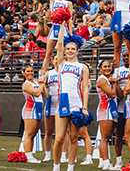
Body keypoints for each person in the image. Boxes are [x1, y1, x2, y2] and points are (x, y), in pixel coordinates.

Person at [52, 26, 91, 171]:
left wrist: (85, 107)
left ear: (77, 51)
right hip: (62, 102)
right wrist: (62, 24)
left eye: (73, 49)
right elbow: (59, 44)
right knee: (59, 139)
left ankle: (70, 167)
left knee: (74, 138)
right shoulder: (61, 63)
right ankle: (56, 167)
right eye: (68, 49)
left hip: (77, 103)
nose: (69, 51)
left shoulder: (83, 67)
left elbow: (85, 88)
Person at [41, 0, 74, 74]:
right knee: (48, 53)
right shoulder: (52, 1)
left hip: (64, 29)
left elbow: (70, 20)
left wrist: (71, 34)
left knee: (64, 53)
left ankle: (65, 71)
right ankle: (42, 73)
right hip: (53, 28)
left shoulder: (68, 3)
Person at [96, 60, 120, 170]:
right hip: (105, 108)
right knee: (105, 138)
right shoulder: (101, 80)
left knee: (106, 137)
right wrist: (114, 83)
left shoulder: (107, 79)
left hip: (111, 108)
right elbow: (112, 94)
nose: (107, 68)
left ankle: (102, 161)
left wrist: (114, 82)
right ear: (100, 69)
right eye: (104, 66)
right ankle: (106, 163)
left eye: (109, 66)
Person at [21, 65, 45, 163]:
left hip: (38, 108)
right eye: (28, 71)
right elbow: (36, 93)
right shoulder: (26, 84)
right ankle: (28, 155)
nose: (30, 73)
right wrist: (42, 84)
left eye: (31, 71)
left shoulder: (36, 82)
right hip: (30, 109)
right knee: (29, 134)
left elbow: (45, 94)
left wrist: (42, 81)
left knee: (34, 134)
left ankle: (30, 155)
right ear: (24, 73)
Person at [43, 62, 61, 163]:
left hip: (61, 104)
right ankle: (47, 154)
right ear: (53, 61)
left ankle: (62, 155)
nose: (57, 61)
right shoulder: (49, 73)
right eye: (55, 59)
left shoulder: (64, 72)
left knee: (62, 133)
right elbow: (43, 85)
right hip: (50, 104)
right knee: (48, 131)